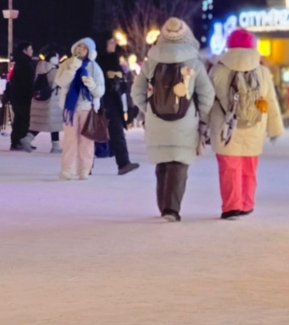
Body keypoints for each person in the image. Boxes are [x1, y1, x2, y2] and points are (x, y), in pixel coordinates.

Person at [131, 18, 215, 222]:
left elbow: (137, 92)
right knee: (178, 165)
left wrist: (149, 109)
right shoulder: (194, 62)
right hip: (185, 123)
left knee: (162, 165)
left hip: (156, 121)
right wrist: (200, 116)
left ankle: (164, 207)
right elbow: (207, 94)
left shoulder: (152, 61)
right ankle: (171, 209)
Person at [207, 28, 283, 219]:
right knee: (249, 168)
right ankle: (247, 203)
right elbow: (271, 100)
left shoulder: (218, 69)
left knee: (229, 169)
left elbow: (206, 100)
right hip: (254, 127)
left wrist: (201, 126)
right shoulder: (262, 71)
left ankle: (231, 207)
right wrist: (275, 128)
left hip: (225, 129)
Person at [54, 37, 105, 180]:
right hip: (69, 109)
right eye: (79, 46)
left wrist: (92, 85)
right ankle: (67, 169)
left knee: (87, 141)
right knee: (69, 140)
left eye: (84, 47)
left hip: (87, 108)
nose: (80, 49)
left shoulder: (94, 67)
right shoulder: (67, 63)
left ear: (89, 51)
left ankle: (84, 169)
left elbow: (100, 91)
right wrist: (72, 68)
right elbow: (61, 82)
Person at [97, 36, 139, 175]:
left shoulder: (116, 59)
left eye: (114, 42)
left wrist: (118, 81)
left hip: (114, 100)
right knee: (92, 133)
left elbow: (124, 83)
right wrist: (108, 79)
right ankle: (84, 166)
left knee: (117, 131)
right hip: (100, 100)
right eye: (110, 42)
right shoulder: (98, 60)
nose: (113, 45)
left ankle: (123, 163)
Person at [27, 44, 63, 153]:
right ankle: (56, 146)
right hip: (52, 100)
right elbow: (60, 83)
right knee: (54, 124)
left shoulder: (39, 68)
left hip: (39, 99)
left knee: (41, 123)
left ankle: (27, 138)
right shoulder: (54, 71)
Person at [7, 41, 37, 151]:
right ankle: (20, 141)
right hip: (23, 96)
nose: (32, 51)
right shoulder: (26, 63)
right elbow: (28, 82)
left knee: (19, 118)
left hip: (16, 95)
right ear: (24, 50)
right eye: (30, 49)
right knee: (24, 119)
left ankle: (15, 142)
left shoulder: (20, 62)